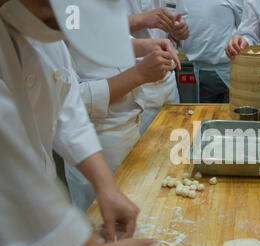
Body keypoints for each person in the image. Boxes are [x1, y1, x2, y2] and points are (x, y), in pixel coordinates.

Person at [0, 0, 187, 246]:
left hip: (41, 233)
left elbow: (66, 105)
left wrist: (107, 186)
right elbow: (8, 172)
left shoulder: (46, 36)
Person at [64, 33, 181, 212]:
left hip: (130, 133)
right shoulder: (53, 27)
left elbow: (106, 38)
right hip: (94, 142)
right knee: (99, 223)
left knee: (136, 212)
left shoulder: (95, 11)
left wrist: (145, 45)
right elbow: (67, 101)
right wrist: (138, 74)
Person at [126, 0, 188, 135]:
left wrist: (179, 31)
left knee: (172, 144)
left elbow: (179, 27)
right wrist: (141, 19)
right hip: (130, 83)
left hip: (168, 80)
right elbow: (95, 28)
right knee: (138, 152)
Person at [183, 0, 244, 103]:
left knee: (232, 114)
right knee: (203, 115)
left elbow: (245, 28)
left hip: (231, 68)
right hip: (200, 68)